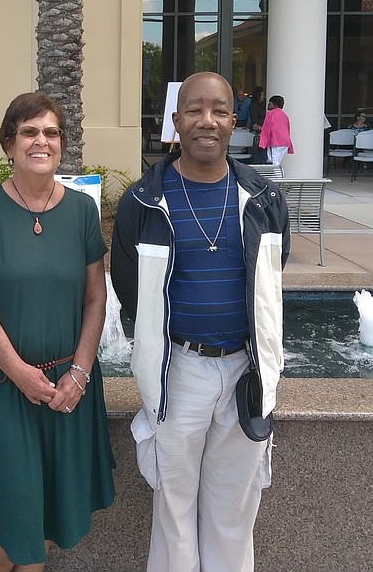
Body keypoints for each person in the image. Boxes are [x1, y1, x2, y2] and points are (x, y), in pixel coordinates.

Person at [110, 71, 290, 572]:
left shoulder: (265, 200)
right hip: (179, 371)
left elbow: (269, 282)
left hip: (244, 373)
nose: (206, 120)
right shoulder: (143, 202)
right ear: (175, 121)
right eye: (194, 109)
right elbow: (130, 289)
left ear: (235, 121)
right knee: (173, 510)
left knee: (235, 512)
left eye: (218, 110)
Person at [0, 92, 116, 570]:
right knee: (10, 517)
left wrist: (80, 373)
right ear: (8, 143)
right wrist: (20, 372)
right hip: (3, 386)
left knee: (44, 521)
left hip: (66, 388)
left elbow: (95, 298)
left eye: (51, 132)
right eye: (29, 132)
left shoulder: (83, 211)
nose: (41, 141)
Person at [257, 95, 293, 166]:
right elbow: (288, 129)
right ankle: (278, 176)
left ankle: (277, 177)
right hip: (285, 142)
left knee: (273, 162)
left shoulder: (270, 114)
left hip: (275, 141)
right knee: (277, 162)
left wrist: (263, 142)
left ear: (275, 104)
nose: (268, 105)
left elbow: (266, 129)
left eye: (270, 103)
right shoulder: (285, 115)